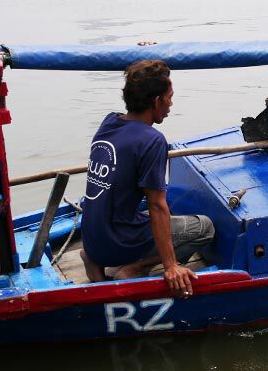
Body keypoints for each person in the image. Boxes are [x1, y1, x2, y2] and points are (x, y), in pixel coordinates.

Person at [79, 59, 215, 298]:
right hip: (115, 240)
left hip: (91, 238)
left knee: (164, 216)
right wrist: (171, 265)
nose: (171, 104)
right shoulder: (151, 140)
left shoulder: (109, 122)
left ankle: (92, 258)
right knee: (204, 227)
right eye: (170, 97)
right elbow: (156, 205)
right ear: (157, 101)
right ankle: (133, 269)